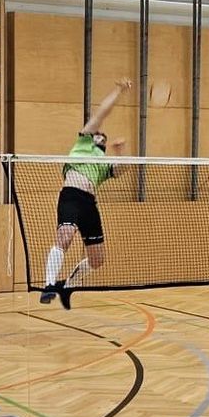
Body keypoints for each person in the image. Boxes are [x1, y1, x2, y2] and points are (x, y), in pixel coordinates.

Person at [40, 79, 131, 309]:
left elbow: (121, 170)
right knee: (65, 236)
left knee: (97, 260)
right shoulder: (82, 143)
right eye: (98, 134)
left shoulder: (103, 163)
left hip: (90, 204)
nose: (101, 135)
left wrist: (121, 152)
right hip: (71, 196)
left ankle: (67, 286)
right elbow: (102, 113)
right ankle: (49, 285)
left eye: (103, 137)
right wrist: (119, 90)